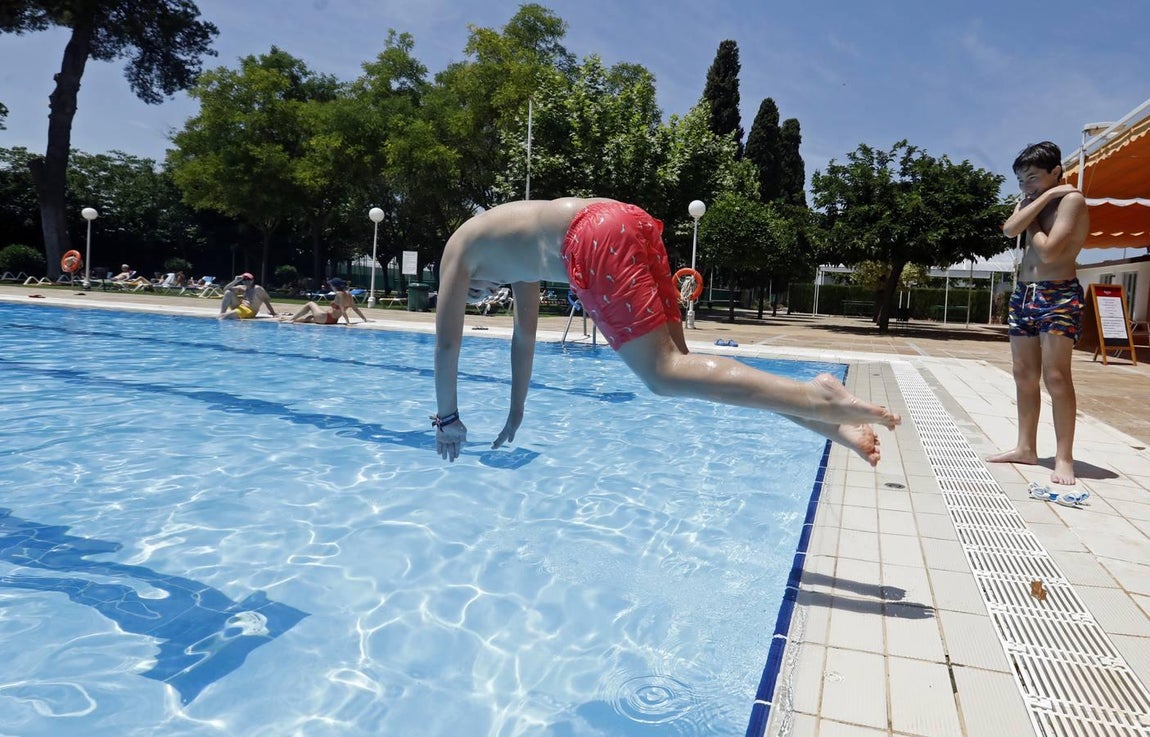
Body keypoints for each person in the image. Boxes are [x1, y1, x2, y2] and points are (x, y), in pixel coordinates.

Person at [432, 197, 901, 465]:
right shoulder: (513, 257)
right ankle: (829, 420)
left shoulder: (459, 248)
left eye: (474, 295)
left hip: (591, 237)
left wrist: (448, 419)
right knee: (689, 369)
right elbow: (524, 339)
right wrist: (516, 409)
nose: (481, 295)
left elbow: (447, 342)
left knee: (664, 375)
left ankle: (821, 396)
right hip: (625, 219)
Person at [987, 141, 1090, 485]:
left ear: (1056, 172)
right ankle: (1026, 447)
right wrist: (1037, 201)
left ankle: (1064, 458)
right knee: (1023, 375)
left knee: (1057, 377)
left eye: (1032, 178)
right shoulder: (1033, 201)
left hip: (1058, 293)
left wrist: (1040, 204)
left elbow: (1047, 252)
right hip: (1024, 295)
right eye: (1021, 181)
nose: (1026, 186)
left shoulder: (1072, 201)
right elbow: (1008, 229)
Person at [286, 277, 367, 325]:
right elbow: (355, 309)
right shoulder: (349, 295)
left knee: (310, 303)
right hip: (333, 320)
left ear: (335, 286)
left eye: (331, 285)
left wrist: (348, 323)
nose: (330, 286)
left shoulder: (339, 294)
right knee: (308, 318)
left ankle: (290, 319)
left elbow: (342, 310)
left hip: (326, 317)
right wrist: (364, 319)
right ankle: (286, 318)